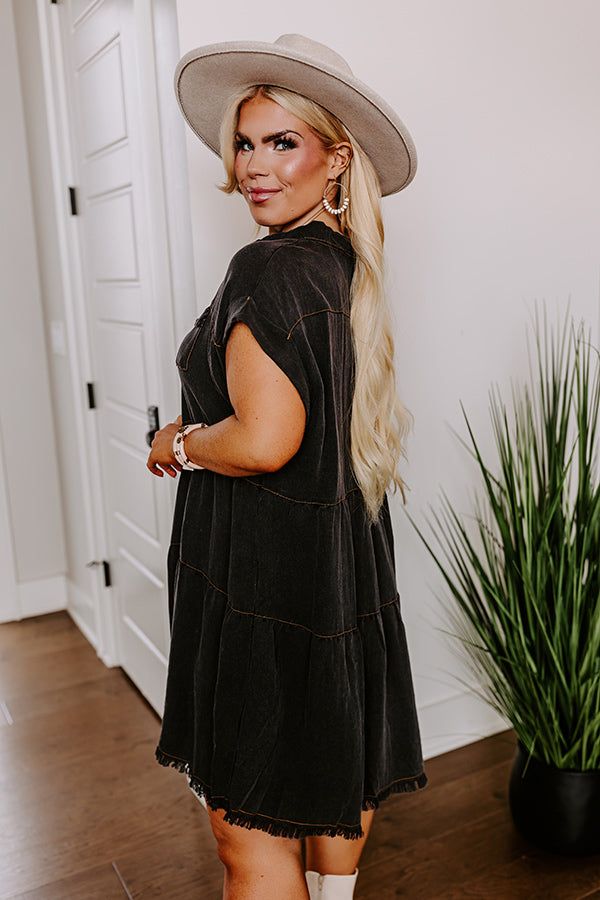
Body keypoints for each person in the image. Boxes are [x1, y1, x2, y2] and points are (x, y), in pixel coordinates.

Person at [146, 34, 426, 900]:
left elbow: (266, 441)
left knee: (248, 841)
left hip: (265, 579)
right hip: (335, 569)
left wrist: (180, 443)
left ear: (336, 159)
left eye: (282, 142)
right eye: (245, 143)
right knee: (328, 775)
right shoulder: (341, 262)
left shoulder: (266, 268)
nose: (255, 167)